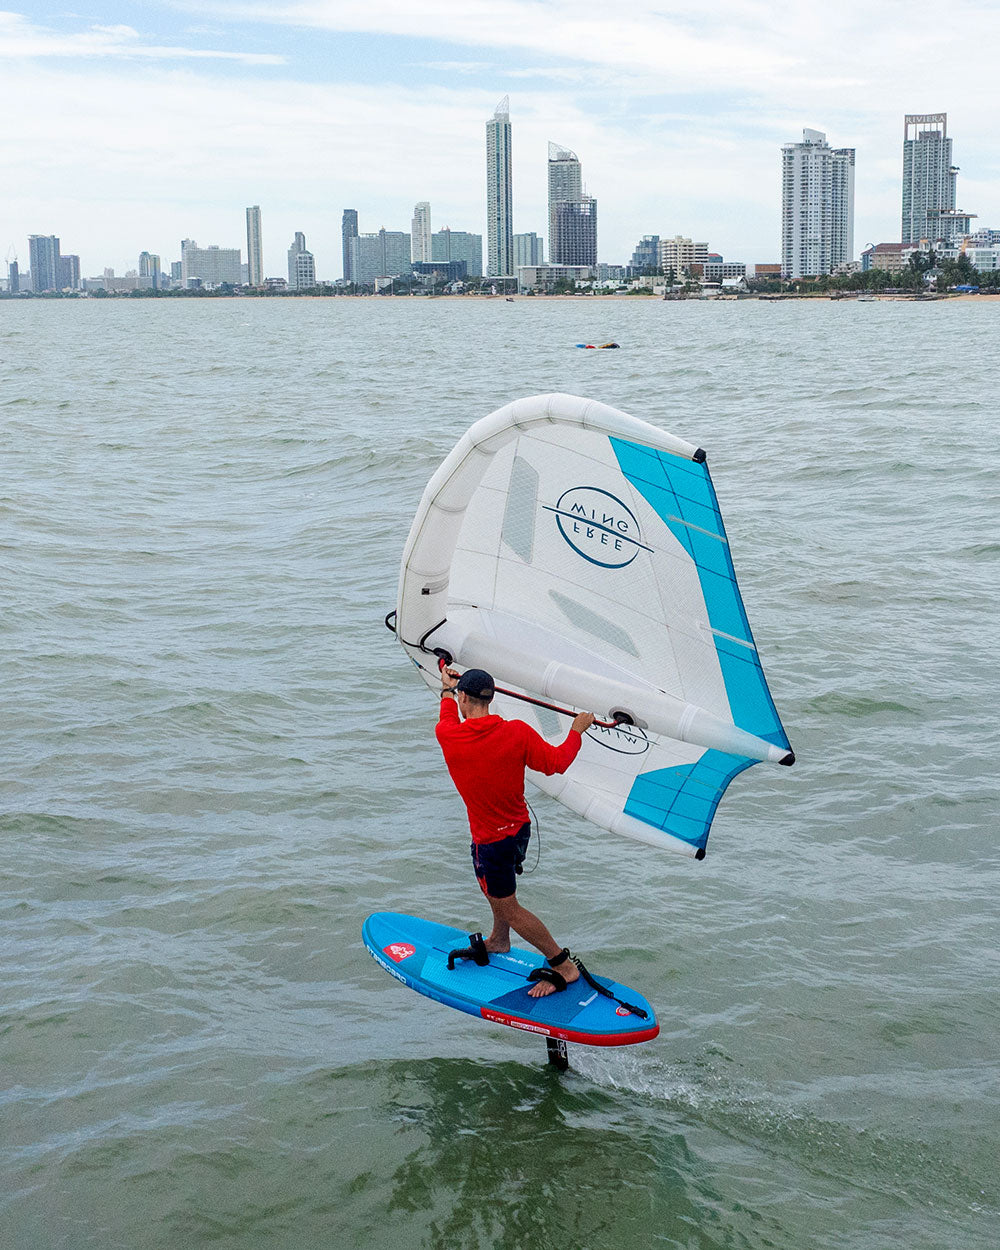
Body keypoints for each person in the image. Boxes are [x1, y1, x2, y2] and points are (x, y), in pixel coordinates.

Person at [436, 664, 595, 998]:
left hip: (492, 841)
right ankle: (499, 939)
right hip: (519, 831)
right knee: (495, 889)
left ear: (464, 698)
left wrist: (446, 688)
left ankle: (563, 965)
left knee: (508, 904)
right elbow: (557, 763)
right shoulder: (518, 733)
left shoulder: (449, 734)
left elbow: (448, 710)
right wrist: (577, 730)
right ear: (491, 698)